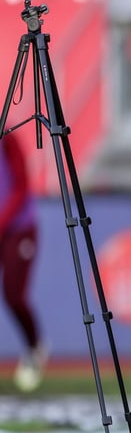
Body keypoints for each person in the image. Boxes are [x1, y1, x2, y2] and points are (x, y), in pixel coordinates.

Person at [0, 134, 47, 393]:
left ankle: (34, 349)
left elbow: (21, 186)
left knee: (14, 296)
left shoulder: (7, 138)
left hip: (19, 228)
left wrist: (1, 223)